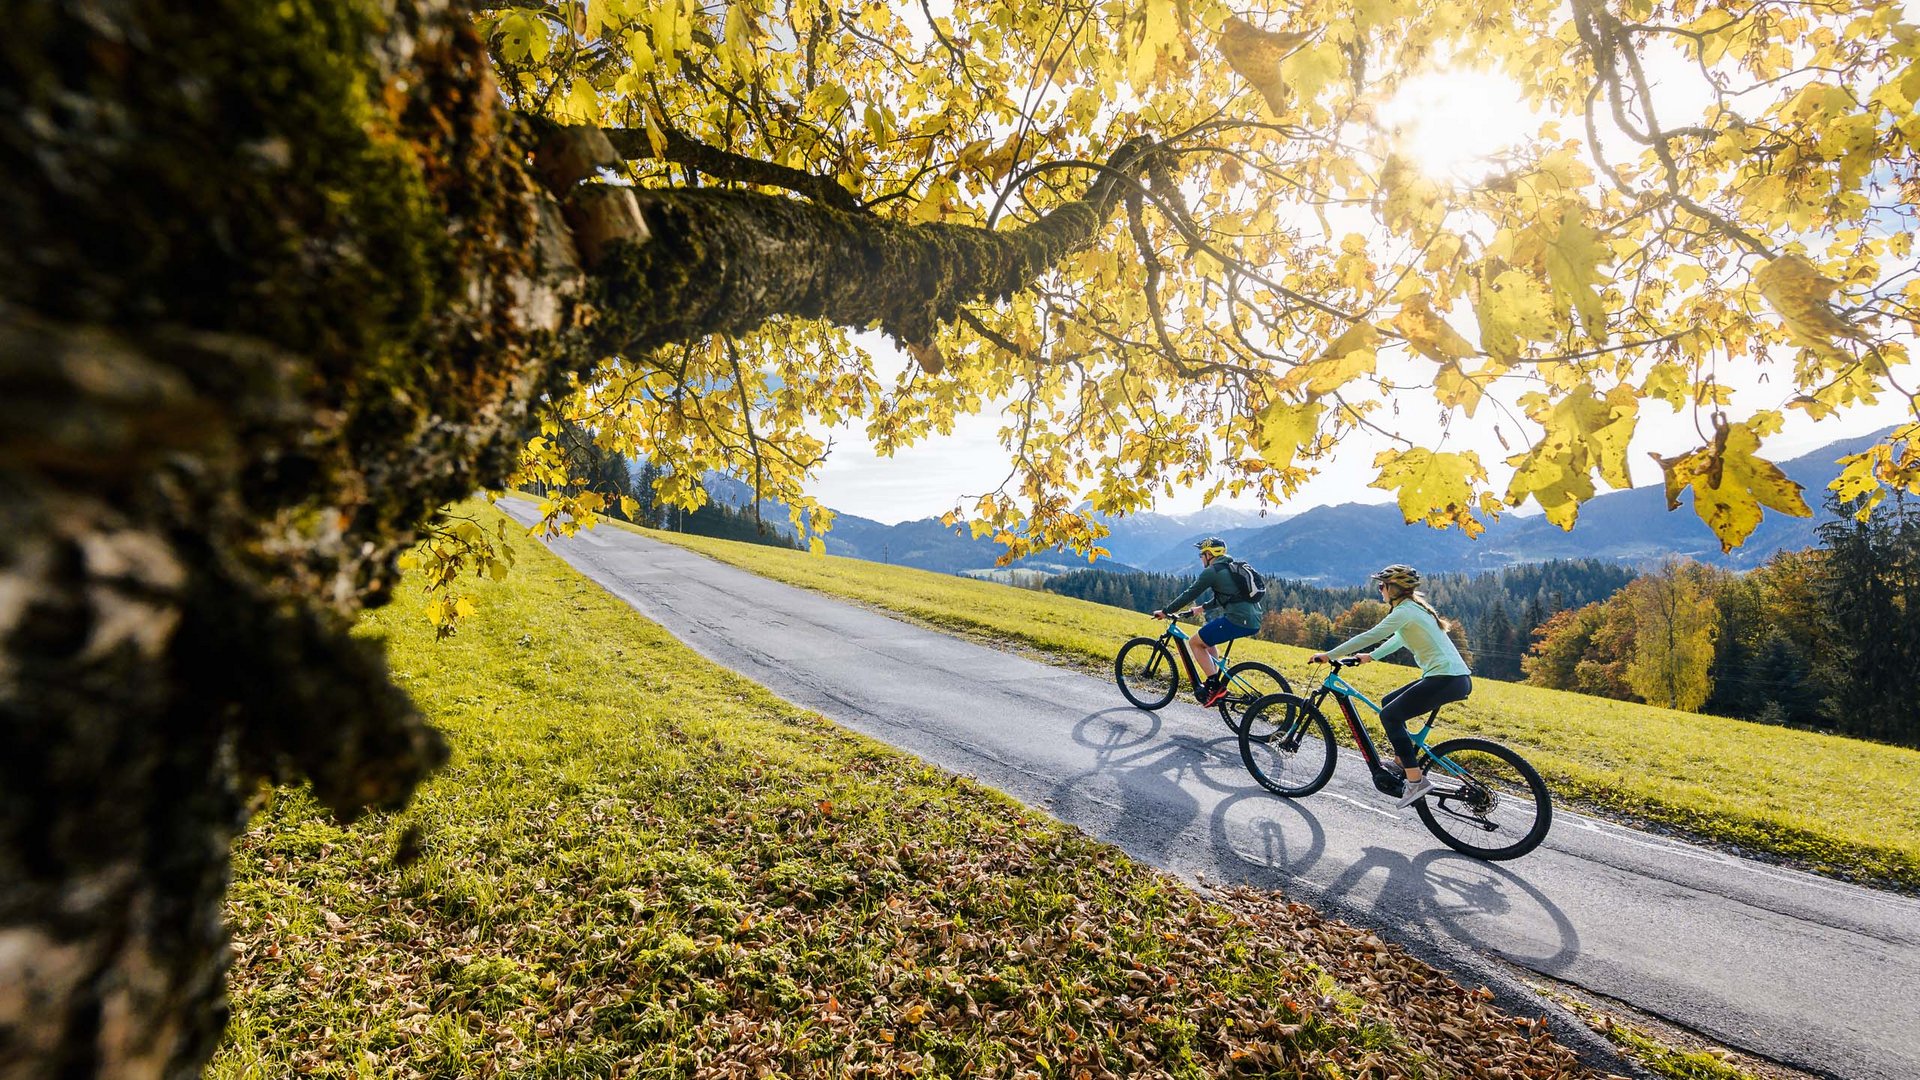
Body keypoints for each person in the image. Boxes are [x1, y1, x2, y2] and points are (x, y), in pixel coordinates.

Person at [1310, 564, 1472, 809]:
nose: (1380, 590)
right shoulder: (1414, 609)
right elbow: (1399, 638)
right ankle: (1401, 760)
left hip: (1446, 679)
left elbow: (1370, 635)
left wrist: (1329, 654)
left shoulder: (1405, 611)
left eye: (1381, 586)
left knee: (1390, 716)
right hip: (1450, 678)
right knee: (1388, 703)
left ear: (1393, 588)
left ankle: (1415, 781)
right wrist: (1371, 657)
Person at [1151, 537, 1261, 707]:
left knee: (1195, 642)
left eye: (1202, 554)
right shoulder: (1229, 567)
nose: (1201, 557)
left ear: (1210, 554)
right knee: (1207, 641)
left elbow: (1189, 594)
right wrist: (1201, 608)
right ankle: (1214, 682)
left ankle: (1215, 686)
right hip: (1252, 619)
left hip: (1238, 619)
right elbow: (1227, 596)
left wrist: (1166, 611)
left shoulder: (1212, 571)